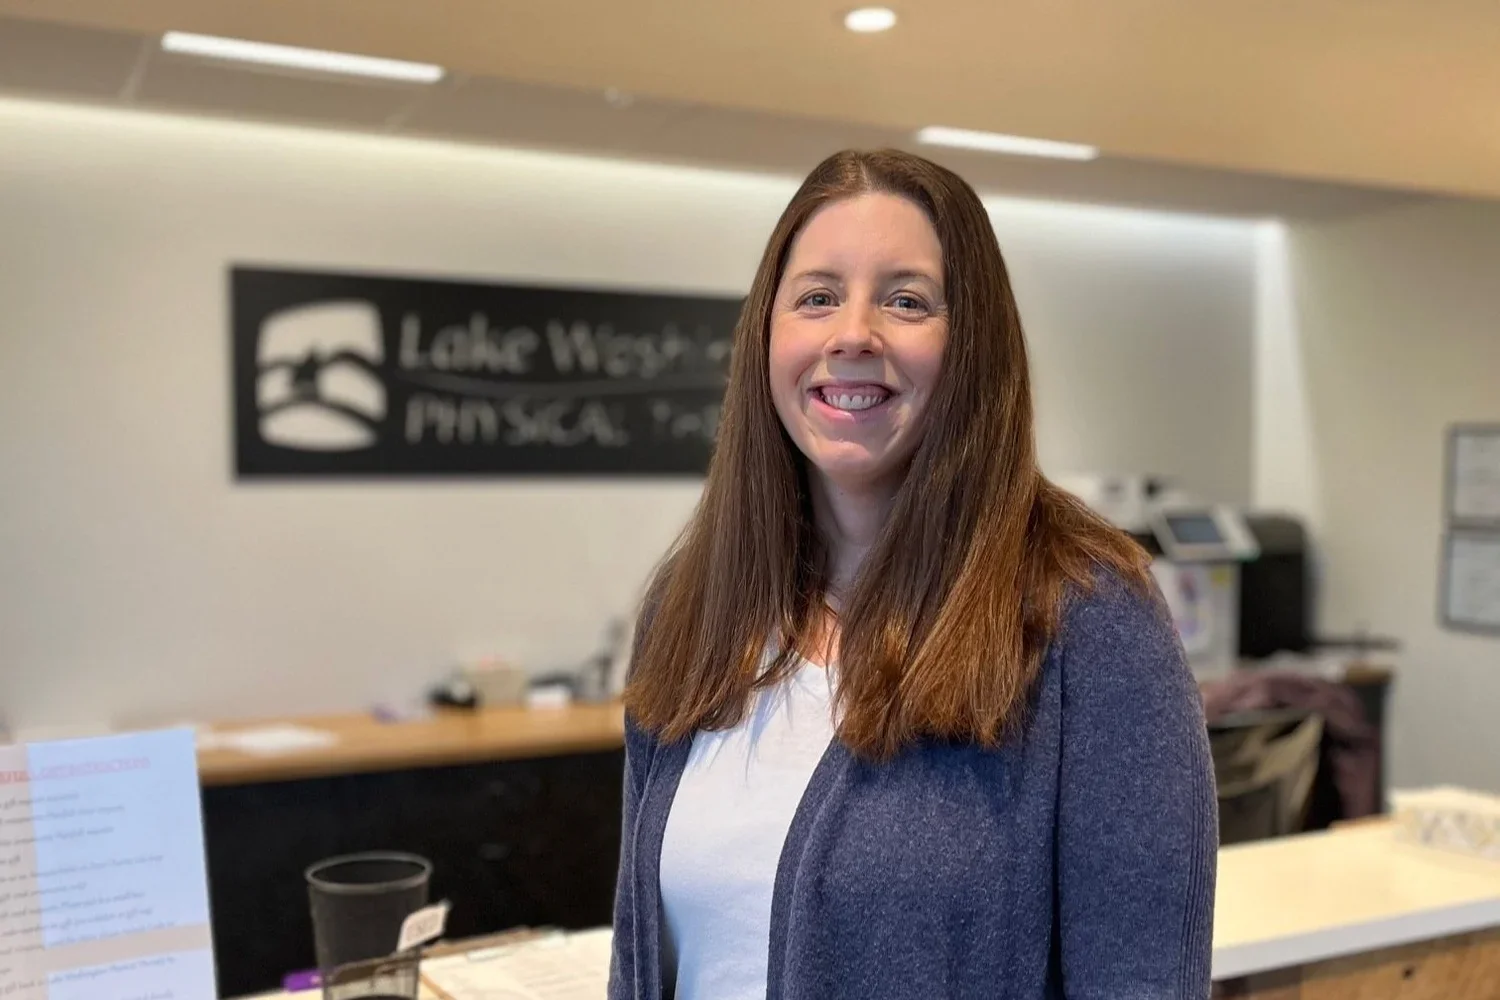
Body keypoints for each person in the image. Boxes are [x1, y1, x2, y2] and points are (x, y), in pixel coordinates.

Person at [609, 148, 1216, 1000]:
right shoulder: (695, 606)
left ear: (973, 346)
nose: (853, 333)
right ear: (765, 337)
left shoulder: (1088, 616)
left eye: (906, 301)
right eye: (817, 297)